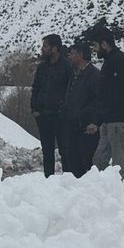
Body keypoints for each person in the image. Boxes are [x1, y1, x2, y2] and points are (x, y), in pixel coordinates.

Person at [89, 25, 124, 180]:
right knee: (99, 160)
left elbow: (114, 94)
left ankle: (123, 190)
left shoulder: (119, 62)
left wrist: (100, 117)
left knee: (120, 164)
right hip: (109, 120)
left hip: (119, 119)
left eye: (95, 46)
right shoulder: (111, 61)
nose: (94, 50)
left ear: (104, 44)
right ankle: (101, 188)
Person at [30, 34, 72, 177]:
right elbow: (36, 88)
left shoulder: (67, 67)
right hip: (43, 116)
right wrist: (34, 109)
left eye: (46, 46)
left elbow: (71, 90)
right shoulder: (42, 67)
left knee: (65, 150)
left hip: (61, 117)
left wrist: (64, 110)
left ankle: (67, 180)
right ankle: (48, 180)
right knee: (47, 151)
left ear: (55, 48)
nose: (42, 49)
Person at [60, 43, 100, 178]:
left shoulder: (94, 76)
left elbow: (98, 101)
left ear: (80, 55)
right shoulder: (74, 74)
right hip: (71, 125)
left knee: (84, 164)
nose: (69, 56)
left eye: (72, 53)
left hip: (86, 128)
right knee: (71, 163)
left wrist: (93, 121)